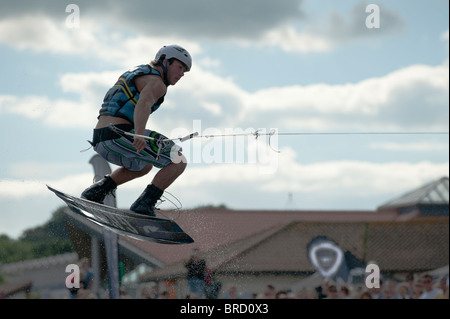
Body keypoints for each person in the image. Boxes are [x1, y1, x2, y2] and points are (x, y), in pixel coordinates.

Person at [81, 45, 192, 217]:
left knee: (144, 165)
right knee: (178, 160)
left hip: (101, 138)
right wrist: (139, 134)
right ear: (165, 60)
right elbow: (144, 103)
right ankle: (145, 204)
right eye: (179, 67)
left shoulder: (139, 72)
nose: (181, 74)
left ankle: (96, 192)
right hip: (120, 135)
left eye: (184, 71)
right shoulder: (157, 83)